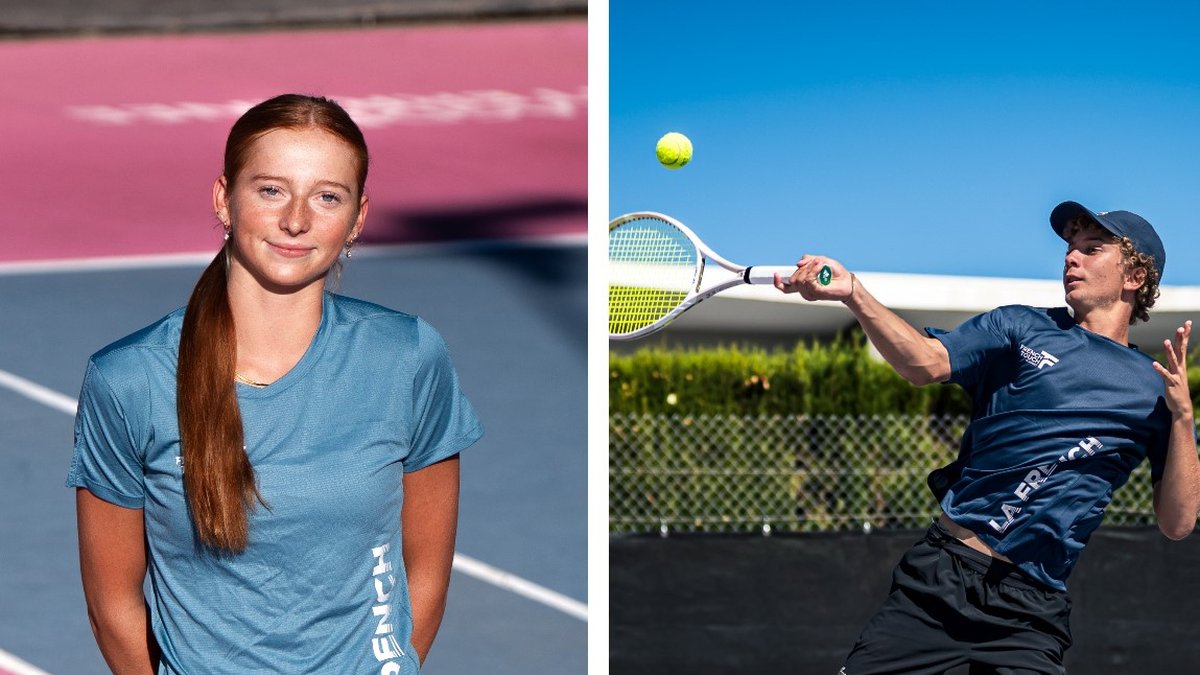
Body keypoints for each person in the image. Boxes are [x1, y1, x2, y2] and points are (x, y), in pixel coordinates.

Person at [67, 94, 483, 674]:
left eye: (327, 197)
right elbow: (112, 605)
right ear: (224, 198)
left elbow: (428, 569)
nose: (296, 219)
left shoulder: (408, 356)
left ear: (358, 218)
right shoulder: (129, 379)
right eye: (271, 190)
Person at [775, 201, 1200, 674]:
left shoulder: (1155, 389)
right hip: (938, 582)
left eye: (1091, 249)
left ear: (1134, 278)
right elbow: (923, 362)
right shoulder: (1020, 326)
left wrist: (1183, 418)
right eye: (1069, 249)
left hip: (1029, 612)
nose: (1070, 258)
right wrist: (854, 293)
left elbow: (1177, 523)